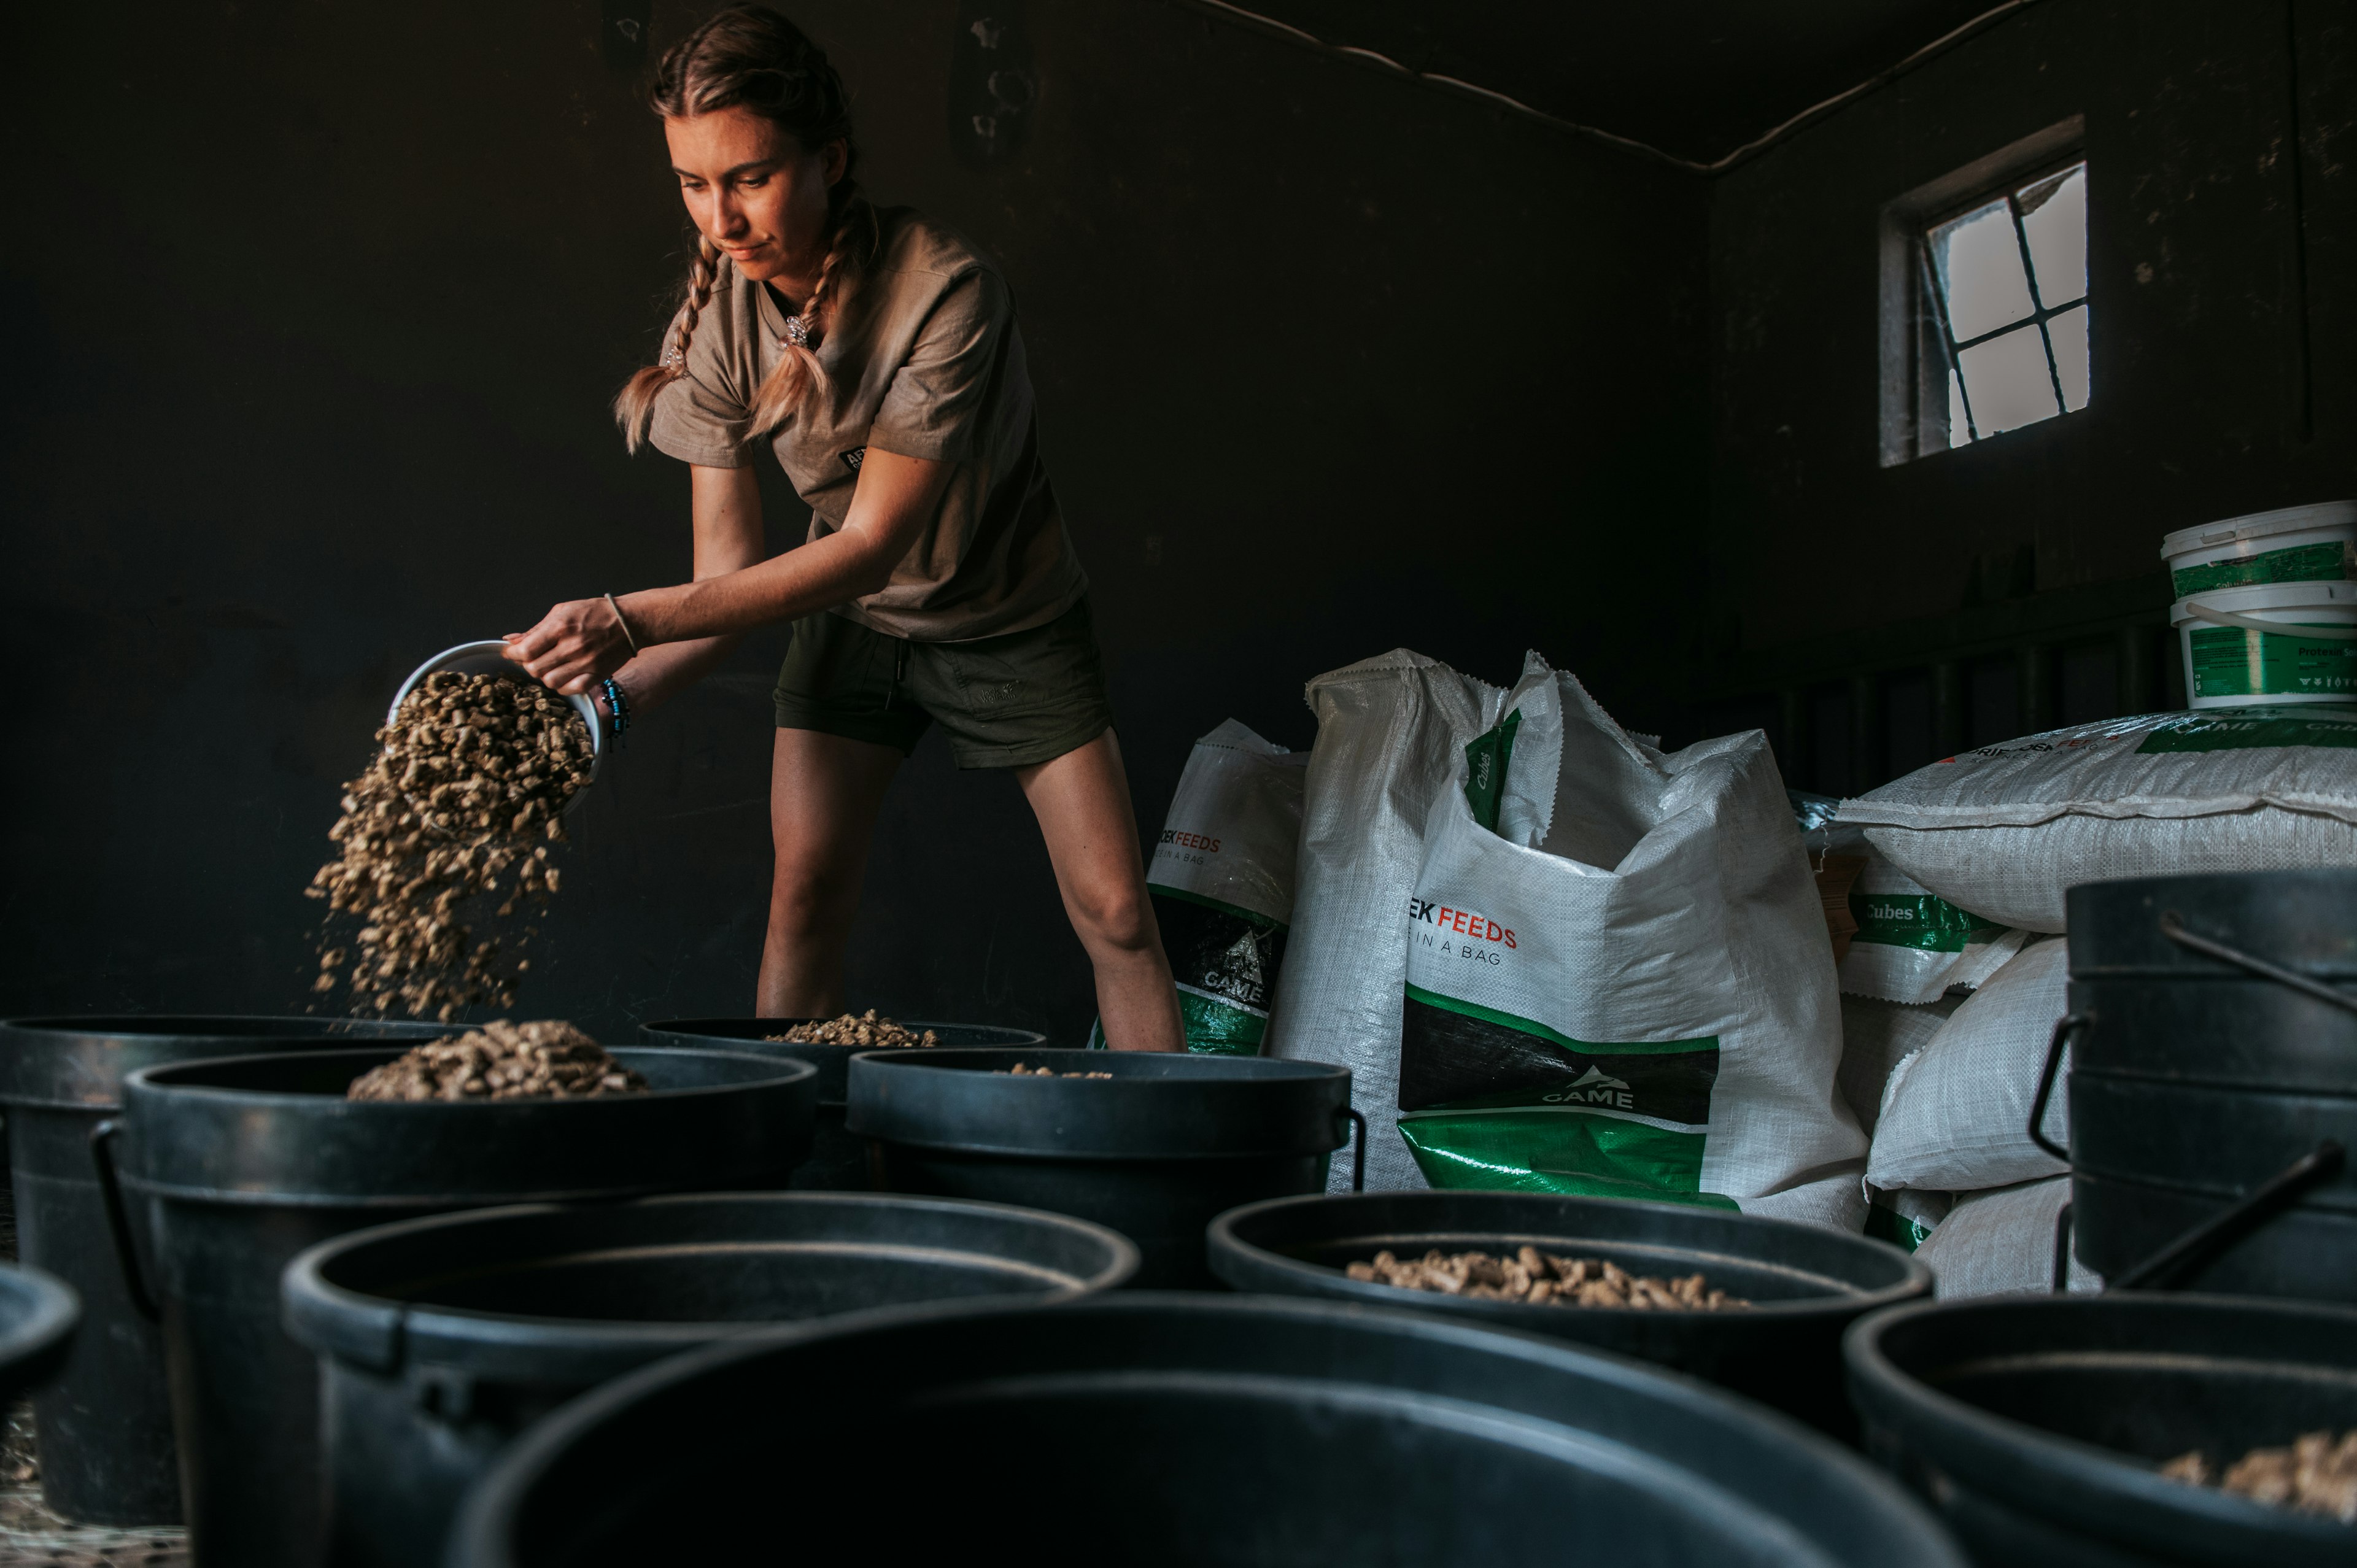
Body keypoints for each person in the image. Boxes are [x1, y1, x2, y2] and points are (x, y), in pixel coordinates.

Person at [504, 4, 1183, 1051]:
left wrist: (622, 616)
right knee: (805, 895)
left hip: (1003, 615)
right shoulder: (722, 321)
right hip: (849, 622)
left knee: (1116, 915)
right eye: (694, 182)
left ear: (830, 157)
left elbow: (873, 544)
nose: (720, 220)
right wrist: (594, 712)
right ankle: (789, 1163)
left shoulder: (947, 296)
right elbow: (723, 590)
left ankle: (1165, 1177)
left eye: (750, 177)